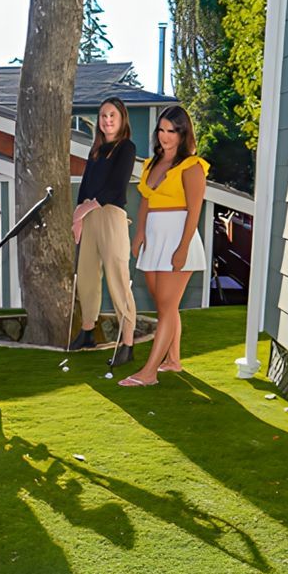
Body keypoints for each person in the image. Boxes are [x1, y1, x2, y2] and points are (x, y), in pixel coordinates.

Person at [121, 106, 207, 388]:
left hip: (177, 239)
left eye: (172, 131)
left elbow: (194, 211)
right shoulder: (149, 164)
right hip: (154, 240)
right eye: (161, 130)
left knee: (168, 306)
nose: (165, 136)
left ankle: (149, 372)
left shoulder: (192, 167)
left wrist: (182, 248)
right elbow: (146, 200)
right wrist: (139, 235)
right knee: (165, 306)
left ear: (183, 134)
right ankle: (174, 360)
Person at [69, 96, 139, 368]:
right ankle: (87, 331)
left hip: (111, 216)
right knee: (86, 276)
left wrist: (84, 209)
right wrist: (79, 218)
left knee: (117, 280)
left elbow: (116, 188)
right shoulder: (95, 150)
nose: (107, 120)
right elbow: (86, 186)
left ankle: (128, 342)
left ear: (121, 119)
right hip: (89, 218)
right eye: (103, 116)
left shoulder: (127, 148)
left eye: (112, 115)